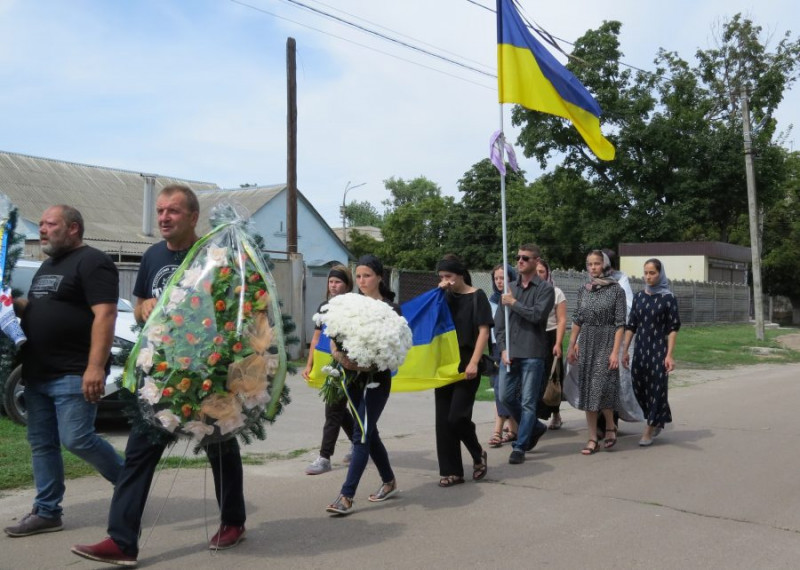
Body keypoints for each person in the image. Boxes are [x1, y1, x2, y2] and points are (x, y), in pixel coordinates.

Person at [72, 185, 246, 566]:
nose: (164, 218)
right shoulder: (151, 255)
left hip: (207, 373)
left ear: (193, 217)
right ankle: (121, 541)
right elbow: (136, 310)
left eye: (173, 212)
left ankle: (233, 522)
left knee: (220, 447)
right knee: (138, 452)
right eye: (161, 212)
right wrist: (144, 307)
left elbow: (236, 310)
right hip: (162, 374)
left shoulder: (214, 257)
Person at [4, 205, 123, 538]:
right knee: (42, 444)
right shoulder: (48, 265)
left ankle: (129, 483)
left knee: (77, 438)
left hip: (73, 370)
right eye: (40, 224)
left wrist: (95, 367)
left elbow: (106, 315)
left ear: (73, 228)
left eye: (49, 224)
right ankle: (46, 512)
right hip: (37, 371)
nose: (41, 229)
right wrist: (11, 304)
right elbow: (41, 308)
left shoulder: (93, 261)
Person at [326, 255, 399, 515]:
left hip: (377, 381)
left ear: (379, 276)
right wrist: (339, 355)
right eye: (358, 276)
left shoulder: (390, 309)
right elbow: (332, 334)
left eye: (367, 275)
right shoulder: (349, 305)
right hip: (351, 378)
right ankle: (389, 481)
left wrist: (366, 365)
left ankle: (346, 496)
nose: (361, 281)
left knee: (361, 434)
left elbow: (391, 353)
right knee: (370, 432)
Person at [434, 255, 493, 487]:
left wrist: (474, 363)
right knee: (443, 420)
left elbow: (483, 332)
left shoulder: (477, 296)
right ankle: (452, 471)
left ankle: (477, 453)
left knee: (457, 416)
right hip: (444, 362)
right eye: (441, 277)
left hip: (468, 360)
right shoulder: (443, 297)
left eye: (448, 277)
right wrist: (439, 292)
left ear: (460, 275)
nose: (445, 281)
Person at [495, 244, 555, 465]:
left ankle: (520, 446)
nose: (520, 261)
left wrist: (514, 303)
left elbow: (538, 316)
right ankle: (535, 427)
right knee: (506, 396)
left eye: (525, 258)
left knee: (529, 402)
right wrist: (502, 348)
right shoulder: (509, 288)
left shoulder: (544, 289)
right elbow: (499, 325)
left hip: (532, 352)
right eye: (518, 257)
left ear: (536, 261)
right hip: (510, 353)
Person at [566, 250, 627, 455]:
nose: (593, 268)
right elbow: (577, 319)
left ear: (605, 265)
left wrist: (614, 352)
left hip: (607, 340)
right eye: (589, 264)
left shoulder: (616, 290)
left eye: (597, 264)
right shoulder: (584, 290)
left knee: (601, 386)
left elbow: (620, 324)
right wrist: (572, 344)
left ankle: (610, 425)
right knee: (588, 390)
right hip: (587, 342)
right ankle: (592, 438)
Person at [622, 259, 681, 446]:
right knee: (639, 387)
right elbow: (631, 325)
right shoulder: (639, 297)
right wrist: (624, 350)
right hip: (640, 350)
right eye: (646, 273)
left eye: (652, 273)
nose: (648, 276)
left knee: (657, 387)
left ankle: (649, 429)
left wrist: (669, 355)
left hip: (658, 350)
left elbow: (673, 328)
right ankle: (658, 417)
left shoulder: (668, 298)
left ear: (660, 273)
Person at [303, 265, 355, 474]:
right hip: (330, 364)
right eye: (331, 282)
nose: (333, 286)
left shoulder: (354, 306)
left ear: (347, 285)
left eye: (338, 282)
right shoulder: (324, 307)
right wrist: (310, 363)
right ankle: (357, 442)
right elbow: (316, 338)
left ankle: (324, 457)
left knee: (334, 409)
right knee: (337, 409)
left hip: (351, 364)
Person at [487, 264, 519, 447]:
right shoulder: (491, 300)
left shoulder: (514, 298)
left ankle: (498, 430)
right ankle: (512, 429)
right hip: (494, 347)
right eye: (496, 278)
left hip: (511, 346)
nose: (499, 282)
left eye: (503, 278)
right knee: (499, 388)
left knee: (505, 388)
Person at [535, 259, 567, 430]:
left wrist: (558, 343)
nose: (539, 275)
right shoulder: (529, 292)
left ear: (547, 273)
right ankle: (534, 417)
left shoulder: (556, 292)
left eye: (541, 271)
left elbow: (562, 320)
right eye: (536, 271)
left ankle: (556, 413)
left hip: (552, 336)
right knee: (535, 377)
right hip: (533, 336)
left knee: (553, 376)